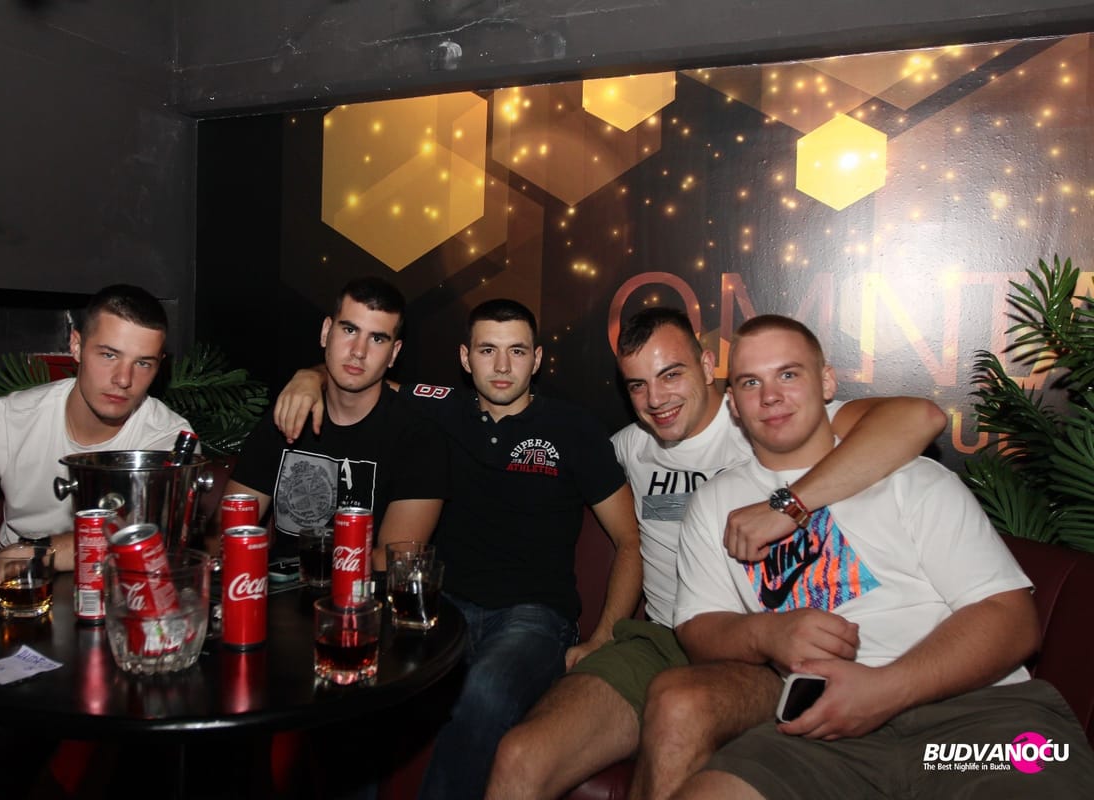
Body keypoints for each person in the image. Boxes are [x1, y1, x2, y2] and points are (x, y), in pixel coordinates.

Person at [486, 307, 948, 799]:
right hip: (663, 638)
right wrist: (600, 635)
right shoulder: (627, 449)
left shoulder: (765, 418)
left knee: (680, 709)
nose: (656, 399)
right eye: (638, 385)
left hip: (764, 650)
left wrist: (789, 505)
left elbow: (920, 418)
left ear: (708, 366)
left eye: (671, 375)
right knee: (521, 755)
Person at [655, 314, 1094, 798]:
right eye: (750, 382)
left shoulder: (912, 477)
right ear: (733, 404)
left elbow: (1012, 622)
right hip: (821, 733)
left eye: (788, 374)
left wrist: (885, 689)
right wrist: (766, 633)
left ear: (827, 382)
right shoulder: (715, 504)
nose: (770, 396)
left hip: (978, 716)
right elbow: (698, 628)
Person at [276, 298, 642, 800]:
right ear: (466, 358)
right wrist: (308, 376)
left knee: (482, 690)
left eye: (517, 351)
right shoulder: (440, 406)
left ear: (537, 359)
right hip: (440, 609)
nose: (502, 365)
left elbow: (628, 540)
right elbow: (358, 376)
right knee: (359, 682)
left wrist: (602, 638)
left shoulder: (574, 429)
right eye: (488, 350)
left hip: (535, 617)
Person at [0, 284, 192, 683]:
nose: (123, 379)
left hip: (118, 608)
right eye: (108, 355)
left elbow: (139, 536)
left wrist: (26, 554)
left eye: (143, 363)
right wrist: (14, 567)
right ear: (76, 345)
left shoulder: (168, 439)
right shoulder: (7, 421)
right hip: (13, 600)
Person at [223, 275, 447, 573]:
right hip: (278, 590)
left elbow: (395, 562)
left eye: (377, 339)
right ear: (326, 332)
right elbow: (227, 532)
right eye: (349, 330)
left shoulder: (418, 437)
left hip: (363, 597)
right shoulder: (288, 413)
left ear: (393, 354)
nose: (358, 351)